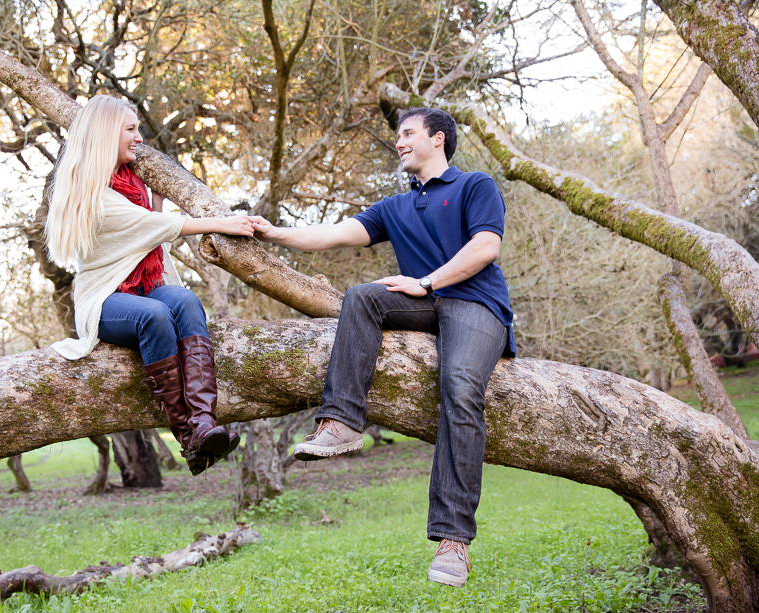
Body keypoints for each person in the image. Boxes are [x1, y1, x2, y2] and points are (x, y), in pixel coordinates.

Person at [251, 107, 516, 587]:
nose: (399, 142)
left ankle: (453, 542)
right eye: (398, 135)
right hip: (428, 302)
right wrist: (274, 232)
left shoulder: (474, 185)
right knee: (362, 297)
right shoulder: (394, 207)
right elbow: (331, 235)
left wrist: (427, 282)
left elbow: (485, 248)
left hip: (475, 305)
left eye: (408, 133)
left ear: (438, 139)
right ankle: (343, 422)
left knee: (458, 386)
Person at [46, 95, 258, 475]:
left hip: (143, 287)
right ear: (106, 134)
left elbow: (143, 235)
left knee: (186, 301)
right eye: (130, 129)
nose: (139, 137)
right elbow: (149, 228)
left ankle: (205, 423)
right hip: (106, 300)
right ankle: (188, 437)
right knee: (157, 315)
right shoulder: (89, 191)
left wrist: (155, 202)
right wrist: (220, 223)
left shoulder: (133, 183)